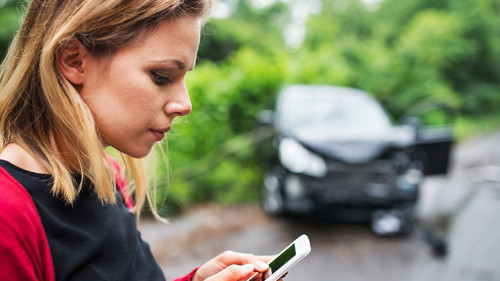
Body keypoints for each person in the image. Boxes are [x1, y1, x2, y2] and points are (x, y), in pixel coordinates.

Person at [0, 0, 275, 280]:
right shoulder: (7, 214)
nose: (185, 104)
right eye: (161, 76)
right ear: (74, 60)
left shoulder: (109, 174)